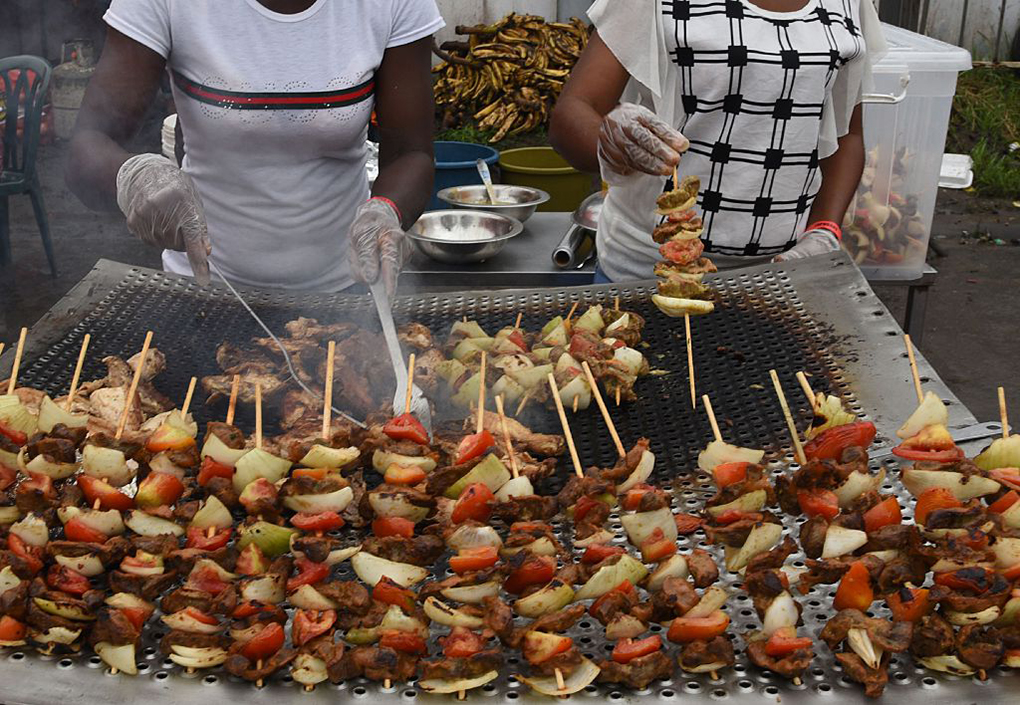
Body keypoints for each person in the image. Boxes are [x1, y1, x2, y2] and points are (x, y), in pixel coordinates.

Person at [66, 0, 445, 295]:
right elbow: (89, 144)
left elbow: (412, 153)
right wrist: (136, 178)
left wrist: (385, 212)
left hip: (346, 290)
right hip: (203, 292)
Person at [550, 0, 886, 282]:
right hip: (646, 273)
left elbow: (848, 134)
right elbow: (571, 114)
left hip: (781, 280)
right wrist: (609, 138)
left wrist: (824, 229)